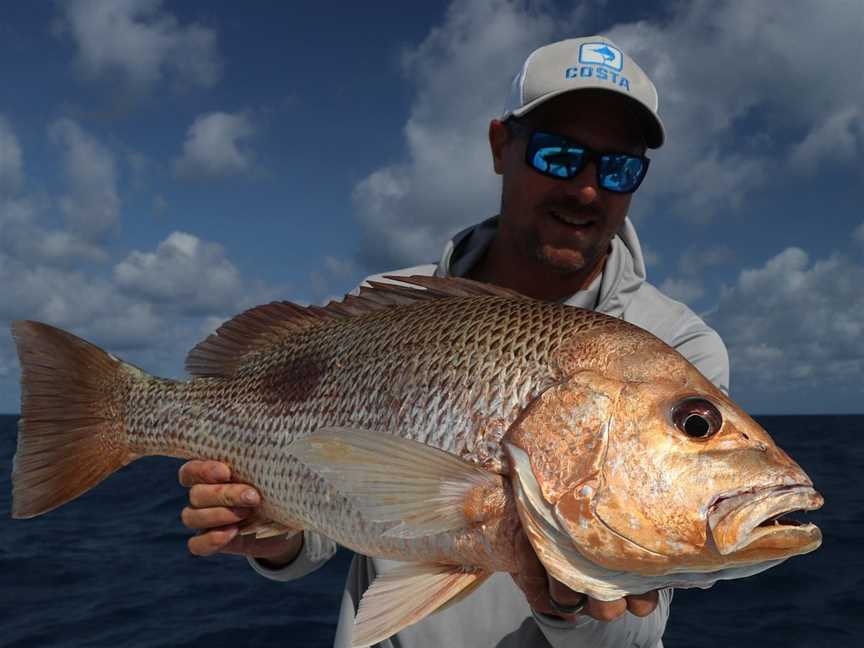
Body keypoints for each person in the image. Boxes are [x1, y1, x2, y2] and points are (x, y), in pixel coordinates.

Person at [177, 36, 729, 647]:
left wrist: (567, 600)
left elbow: (636, 626)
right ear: (501, 147)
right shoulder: (388, 303)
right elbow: (332, 515)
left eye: (619, 166)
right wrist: (277, 533)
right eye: (557, 155)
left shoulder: (676, 349)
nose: (588, 188)